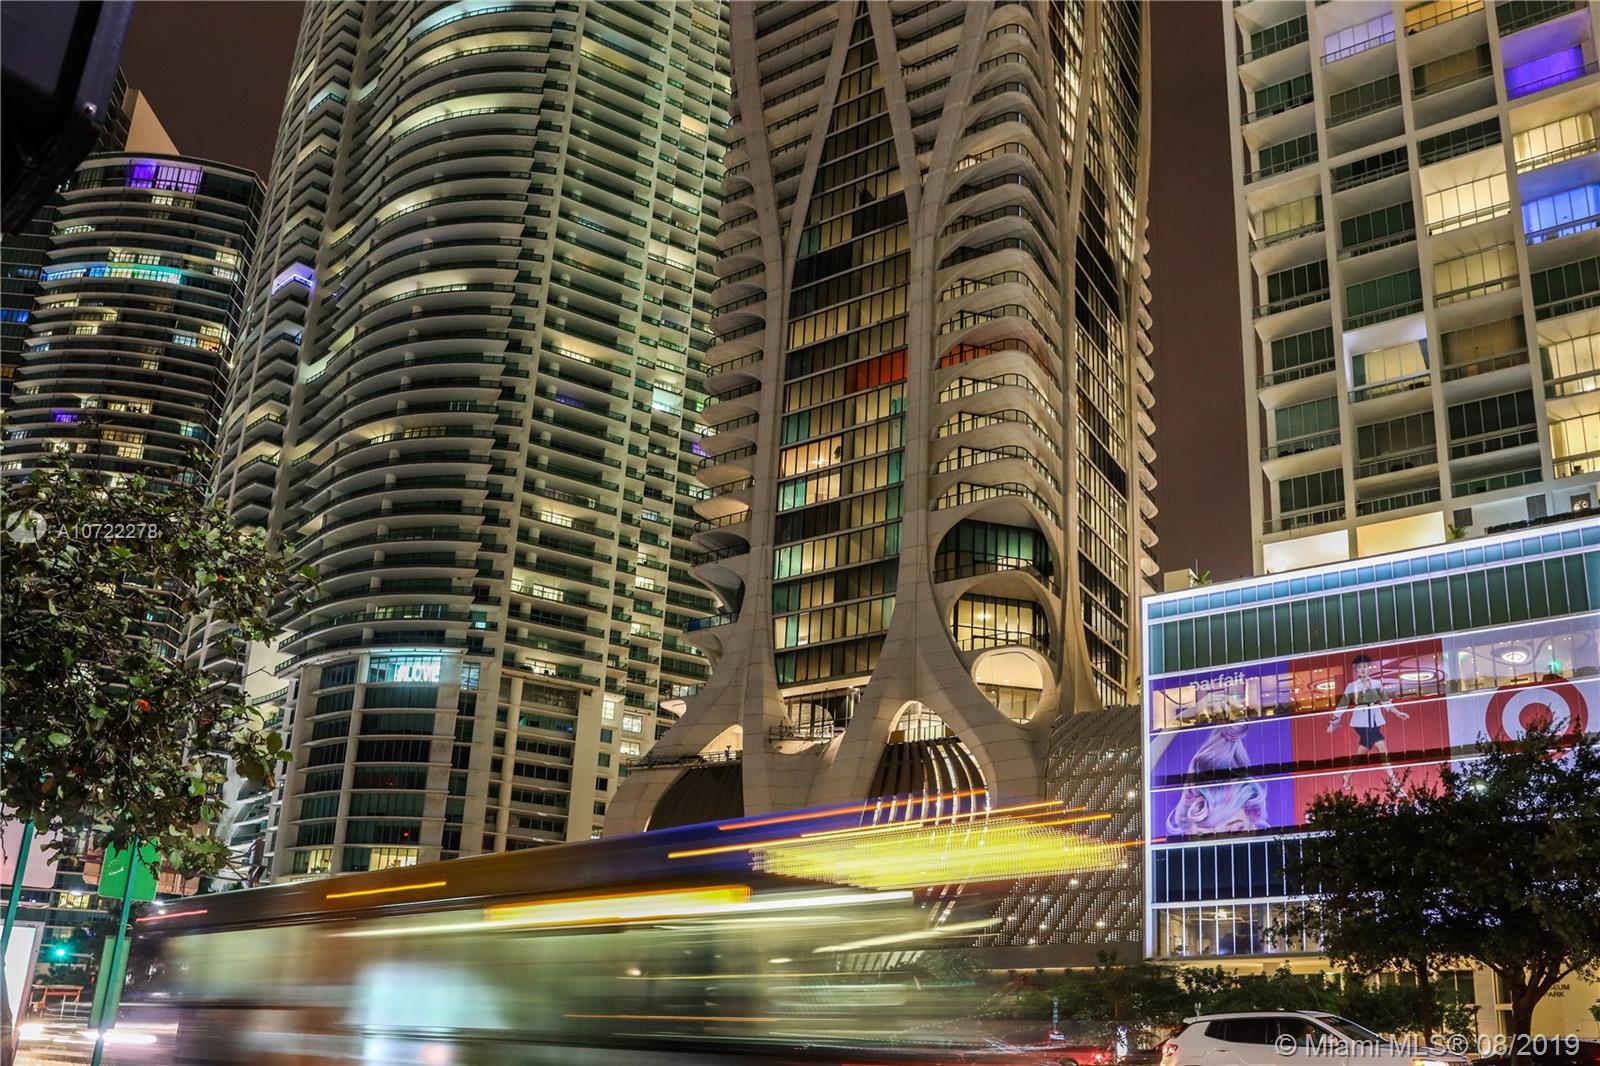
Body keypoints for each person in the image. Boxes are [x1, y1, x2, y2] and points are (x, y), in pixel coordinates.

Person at [1326, 653, 1408, 786]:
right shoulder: (1352, 686)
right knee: (1382, 746)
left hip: (1375, 720)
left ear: (1369, 668)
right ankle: (1393, 781)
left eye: (1365, 666)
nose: (1363, 669)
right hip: (1361, 722)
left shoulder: (1376, 683)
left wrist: (1398, 713)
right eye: (1359, 667)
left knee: (1361, 752)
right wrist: (1334, 719)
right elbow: (1343, 704)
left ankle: (1347, 776)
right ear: (1356, 670)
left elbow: (1385, 701)